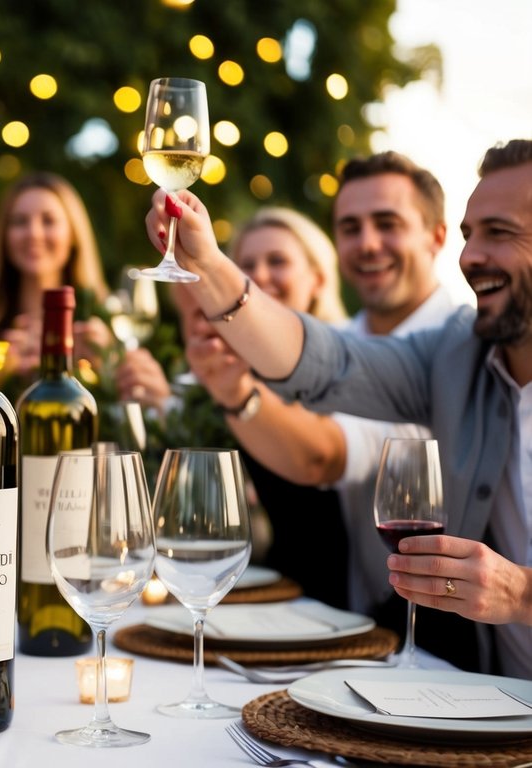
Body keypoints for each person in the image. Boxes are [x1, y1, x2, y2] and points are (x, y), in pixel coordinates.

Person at [145, 139, 532, 677]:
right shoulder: (456, 351)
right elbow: (326, 362)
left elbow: (320, 456)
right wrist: (207, 264)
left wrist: (523, 593)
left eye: (500, 232)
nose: (470, 257)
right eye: (470, 236)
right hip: (491, 698)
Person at [188, 155, 460, 623]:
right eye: (351, 228)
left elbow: (321, 456)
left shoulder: (457, 349)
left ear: (436, 236)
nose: (368, 244)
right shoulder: (347, 339)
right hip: (349, 618)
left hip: (445, 632)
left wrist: (235, 393)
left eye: (387, 223)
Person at [179, 208, 351, 607]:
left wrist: (237, 393)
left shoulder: (347, 363)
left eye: (278, 261)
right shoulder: (233, 369)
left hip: (338, 599)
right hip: (266, 593)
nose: (260, 277)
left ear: (318, 279)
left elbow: (320, 457)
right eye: (247, 267)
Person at [0, 171, 111, 391]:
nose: (34, 233)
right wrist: (0, 379)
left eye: (48, 221)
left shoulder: (103, 327)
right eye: (20, 222)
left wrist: (103, 365)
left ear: (73, 235)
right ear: (4, 237)